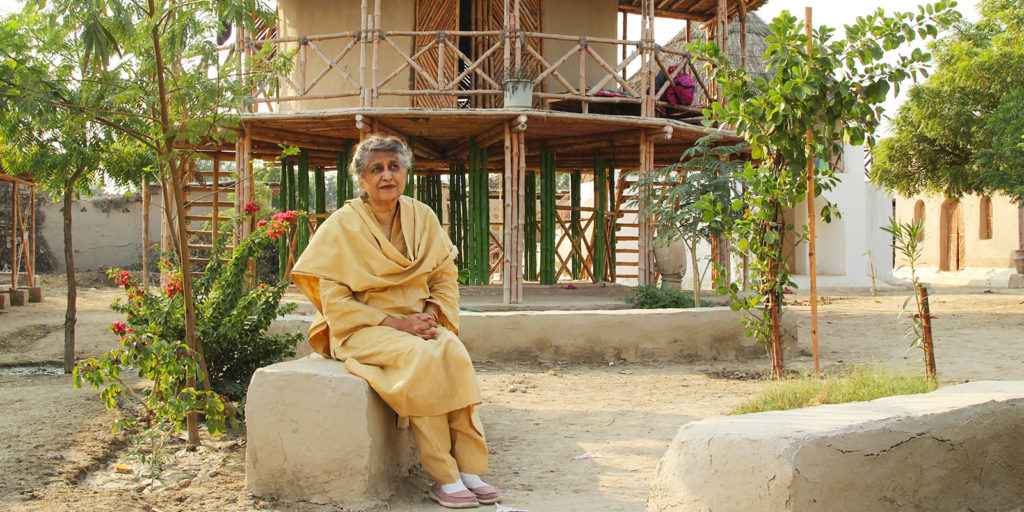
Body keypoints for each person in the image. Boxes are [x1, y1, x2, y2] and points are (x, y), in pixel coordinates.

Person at [290, 135, 501, 509]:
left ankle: (471, 469)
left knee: (452, 351)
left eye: (394, 167)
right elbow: (335, 303)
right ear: (362, 179)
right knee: (421, 360)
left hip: (419, 324)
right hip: (361, 329)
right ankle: (445, 476)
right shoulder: (342, 226)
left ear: (406, 172)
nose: (387, 175)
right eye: (376, 169)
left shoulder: (423, 217)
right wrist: (397, 324)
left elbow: (444, 279)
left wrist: (431, 316)